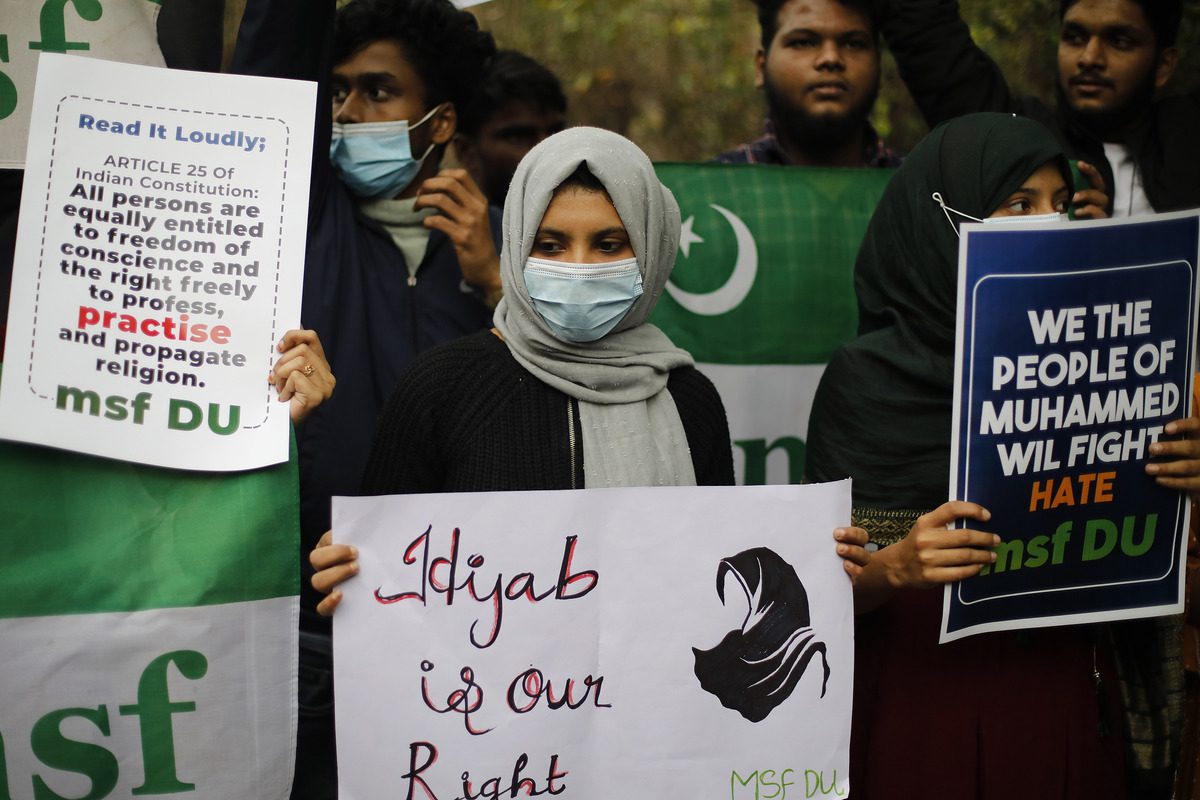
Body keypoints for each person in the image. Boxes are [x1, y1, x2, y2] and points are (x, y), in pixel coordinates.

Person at [310, 126, 871, 615]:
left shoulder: (689, 399)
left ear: (653, 250)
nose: (578, 269)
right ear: (515, 246)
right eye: (550, 245)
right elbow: (387, 571)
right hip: (482, 716)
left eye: (609, 245)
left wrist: (811, 562)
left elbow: (715, 573)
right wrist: (350, 569)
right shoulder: (442, 387)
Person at [804, 111, 1198, 798]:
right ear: (942, 219)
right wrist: (896, 568)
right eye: (1020, 205)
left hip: (1063, 700)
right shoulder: (863, 384)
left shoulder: (1109, 366)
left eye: (1061, 205)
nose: (1050, 223)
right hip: (918, 708)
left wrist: (1180, 476)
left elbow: (1143, 554)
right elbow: (814, 598)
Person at [232, 0, 502, 796]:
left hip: (474, 629)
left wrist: (497, 284)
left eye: (379, 92)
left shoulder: (515, 255)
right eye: (340, 92)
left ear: (441, 120)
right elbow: (271, 75)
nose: (351, 111)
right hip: (321, 623)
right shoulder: (300, 223)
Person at [880, 0, 1197, 217]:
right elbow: (927, 36)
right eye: (1074, 36)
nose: (1089, 57)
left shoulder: (1187, 140)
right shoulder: (1013, 136)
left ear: (1164, 65)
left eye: (1119, 41)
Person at [714, 0, 901, 168]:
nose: (831, 58)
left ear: (878, 65)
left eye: (854, 44)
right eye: (803, 42)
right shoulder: (711, 190)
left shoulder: (921, 190)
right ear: (761, 68)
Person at [455, 50, 568, 208]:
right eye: (519, 138)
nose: (548, 152)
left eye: (555, 133)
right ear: (466, 152)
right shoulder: (436, 228)